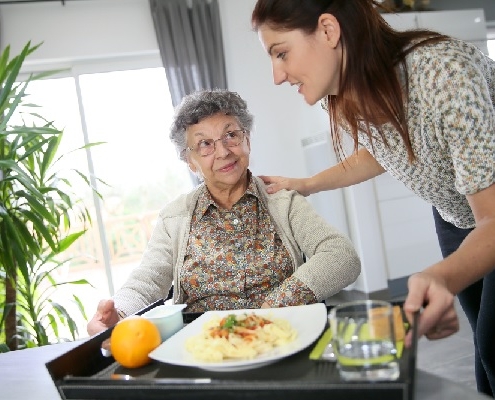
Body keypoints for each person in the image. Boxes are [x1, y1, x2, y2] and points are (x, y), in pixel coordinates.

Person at [251, 0, 495, 396]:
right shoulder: (352, 90)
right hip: (456, 218)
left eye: (281, 53)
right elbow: (381, 152)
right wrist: (307, 184)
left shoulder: (444, 72)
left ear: (329, 31)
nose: (277, 75)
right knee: (485, 351)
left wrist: (439, 275)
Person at [87, 89, 361, 337]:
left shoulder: (283, 201)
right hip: (205, 346)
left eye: (231, 135)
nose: (222, 151)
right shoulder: (175, 217)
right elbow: (148, 279)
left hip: (282, 335)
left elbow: (341, 256)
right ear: (190, 161)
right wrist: (118, 311)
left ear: (247, 140)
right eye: (204, 144)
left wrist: (274, 306)